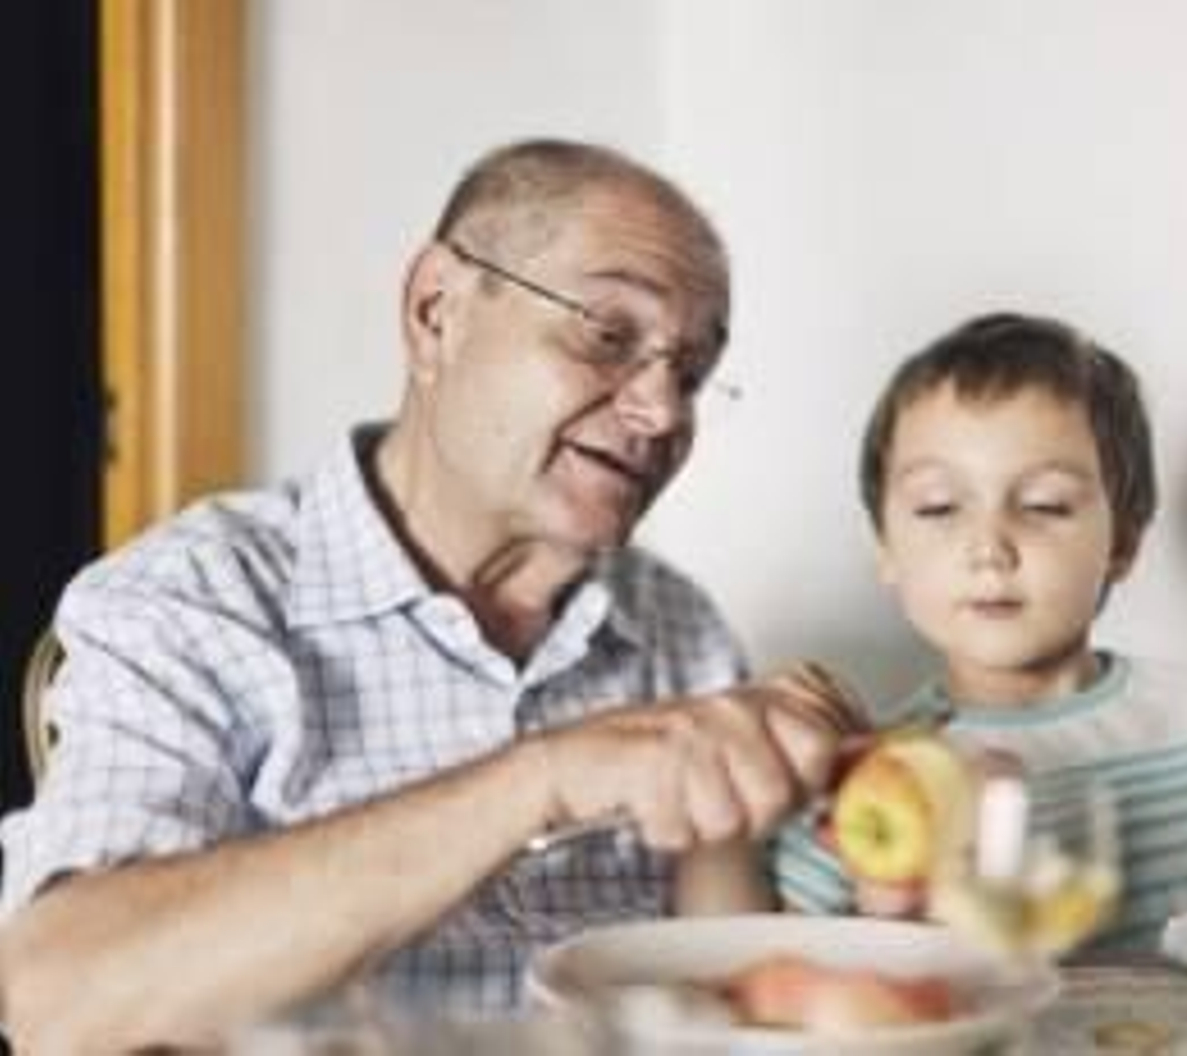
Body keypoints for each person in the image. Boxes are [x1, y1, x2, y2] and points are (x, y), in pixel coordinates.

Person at [0, 139, 859, 1051]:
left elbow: (723, 1002)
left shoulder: (681, 629)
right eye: (608, 336)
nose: (664, 413)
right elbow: (58, 996)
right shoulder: (193, 601)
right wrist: (547, 774)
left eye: (688, 373)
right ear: (435, 312)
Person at [770, 312, 1187, 952]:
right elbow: (809, 976)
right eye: (939, 507)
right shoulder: (871, 772)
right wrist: (895, 895)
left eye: (1045, 504)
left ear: (1123, 541)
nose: (989, 547)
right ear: (886, 548)